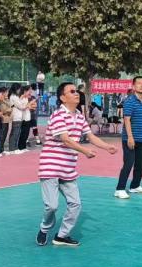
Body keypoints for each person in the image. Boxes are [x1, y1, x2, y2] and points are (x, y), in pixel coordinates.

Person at [37, 82, 117, 247]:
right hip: (51, 166)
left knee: (75, 204)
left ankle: (62, 236)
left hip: (68, 168)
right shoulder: (58, 115)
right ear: (62, 97)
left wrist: (106, 146)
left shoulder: (80, 117)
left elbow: (90, 136)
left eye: (76, 91)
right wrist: (85, 151)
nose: (76, 93)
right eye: (72, 91)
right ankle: (44, 229)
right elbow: (66, 140)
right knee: (52, 206)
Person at [116, 75, 142, 199]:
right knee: (128, 163)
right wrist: (130, 137)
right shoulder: (129, 101)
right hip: (129, 139)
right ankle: (119, 189)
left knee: (141, 163)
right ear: (133, 86)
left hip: (141, 139)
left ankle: (135, 186)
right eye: (139, 83)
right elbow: (127, 119)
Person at [5, 83, 26, 154]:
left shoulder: (15, 96)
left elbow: (21, 105)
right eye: (19, 89)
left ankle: (14, 147)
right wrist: (24, 105)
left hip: (18, 116)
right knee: (15, 133)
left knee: (16, 133)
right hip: (16, 116)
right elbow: (21, 106)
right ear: (16, 89)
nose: (20, 90)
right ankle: (12, 148)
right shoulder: (13, 97)